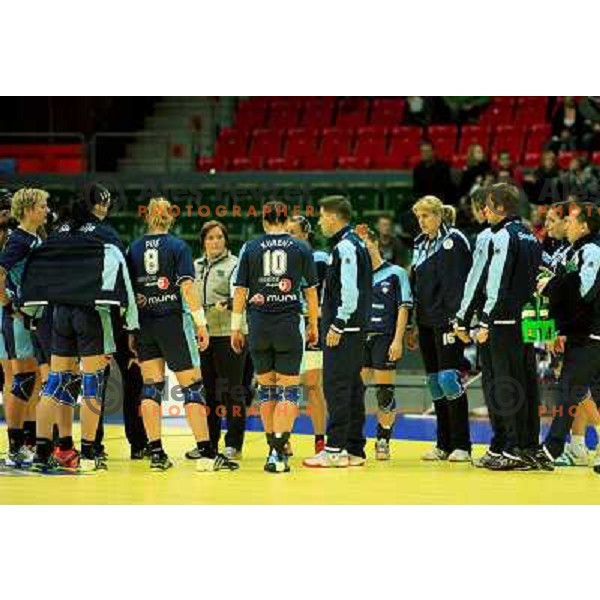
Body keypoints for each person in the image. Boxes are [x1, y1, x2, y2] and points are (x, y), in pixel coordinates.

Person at [25, 188, 137, 472]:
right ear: (99, 206)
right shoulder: (105, 233)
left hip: (58, 313)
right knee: (92, 383)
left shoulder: (58, 231)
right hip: (91, 313)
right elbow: (121, 270)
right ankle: (88, 454)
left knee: (56, 383)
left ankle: (41, 453)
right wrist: (131, 320)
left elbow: (36, 266)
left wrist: (33, 311)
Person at [128, 198, 238, 472]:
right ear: (169, 218)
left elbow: (130, 294)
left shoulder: (134, 248)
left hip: (145, 323)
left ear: (148, 217)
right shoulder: (177, 246)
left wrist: (131, 328)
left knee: (151, 387)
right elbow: (188, 289)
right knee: (192, 387)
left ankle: (156, 453)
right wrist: (201, 324)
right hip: (172, 323)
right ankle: (207, 453)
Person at [231, 201, 318, 473]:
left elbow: (240, 291)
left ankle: (271, 449)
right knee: (289, 390)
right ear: (284, 219)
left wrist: (236, 327)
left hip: (258, 326)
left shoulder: (251, 247)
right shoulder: (302, 247)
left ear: (264, 220)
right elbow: (311, 291)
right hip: (288, 326)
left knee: (267, 389)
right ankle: (280, 452)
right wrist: (313, 323)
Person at [474, 183, 545, 470]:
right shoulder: (530, 235)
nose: (484, 210)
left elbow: (497, 282)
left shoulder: (501, 236)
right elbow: (543, 276)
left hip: (502, 322)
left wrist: (484, 320)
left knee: (503, 384)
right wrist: (544, 326)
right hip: (529, 319)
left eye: (488, 205)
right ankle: (529, 445)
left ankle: (510, 448)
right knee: (528, 383)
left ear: (501, 208)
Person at [303, 196, 372, 468]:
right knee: (353, 388)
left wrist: (337, 324)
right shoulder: (356, 244)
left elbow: (350, 291)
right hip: (355, 329)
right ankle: (354, 448)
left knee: (337, 388)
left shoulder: (345, 247)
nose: (320, 222)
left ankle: (333, 449)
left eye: (322, 216)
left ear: (333, 216)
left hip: (344, 329)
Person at [407, 196, 472, 462]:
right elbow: (416, 284)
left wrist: (458, 320)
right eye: (418, 217)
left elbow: (458, 284)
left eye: (426, 216)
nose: (421, 221)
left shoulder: (454, 240)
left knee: (448, 378)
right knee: (434, 383)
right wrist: (412, 323)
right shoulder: (419, 243)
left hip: (448, 320)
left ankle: (462, 445)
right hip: (425, 321)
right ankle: (443, 443)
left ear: (438, 215)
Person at [536, 202, 600, 473]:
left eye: (570, 222)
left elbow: (584, 291)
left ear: (584, 226)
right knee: (576, 389)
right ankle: (566, 447)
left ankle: (553, 448)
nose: (564, 226)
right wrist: (556, 329)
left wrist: (553, 285)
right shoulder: (573, 251)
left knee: (571, 389)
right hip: (578, 332)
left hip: (593, 333)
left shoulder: (593, 250)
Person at [189, 220, 249, 460]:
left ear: (226, 241)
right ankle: (209, 443)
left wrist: (229, 304)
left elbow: (244, 296)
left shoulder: (236, 265)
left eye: (219, 237)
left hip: (230, 335)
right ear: (203, 242)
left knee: (233, 391)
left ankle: (233, 443)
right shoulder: (194, 267)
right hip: (204, 337)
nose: (215, 242)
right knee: (209, 392)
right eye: (210, 238)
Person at [0, 188, 48, 468]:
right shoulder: (18, 240)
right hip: (17, 319)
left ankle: (29, 440)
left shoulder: (32, 238)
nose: (45, 210)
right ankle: (15, 446)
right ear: (29, 210)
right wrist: (7, 305)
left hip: (31, 317)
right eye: (41, 206)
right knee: (23, 380)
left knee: (34, 381)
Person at [356, 225, 412, 460]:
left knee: (384, 393)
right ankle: (353, 440)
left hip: (384, 338)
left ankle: (383, 439)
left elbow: (403, 307)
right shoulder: (357, 275)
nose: (363, 249)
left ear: (375, 243)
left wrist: (398, 340)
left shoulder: (396, 273)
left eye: (366, 243)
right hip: (360, 339)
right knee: (354, 392)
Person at [454, 188, 500, 466]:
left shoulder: (486, 237)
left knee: (498, 381)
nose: (474, 213)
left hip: (491, 319)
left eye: (476, 207)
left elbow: (478, 281)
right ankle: (510, 442)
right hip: (502, 318)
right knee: (502, 380)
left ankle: (502, 444)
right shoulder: (520, 234)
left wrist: (467, 319)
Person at [286, 215, 328, 454]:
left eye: (294, 232)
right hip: (288, 326)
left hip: (313, 326)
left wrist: (315, 314)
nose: (289, 236)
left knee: (313, 385)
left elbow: (328, 294)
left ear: (306, 234)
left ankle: (320, 439)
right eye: (287, 232)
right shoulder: (282, 260)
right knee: (287, 385)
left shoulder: (320, 258)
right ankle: (284, 437)